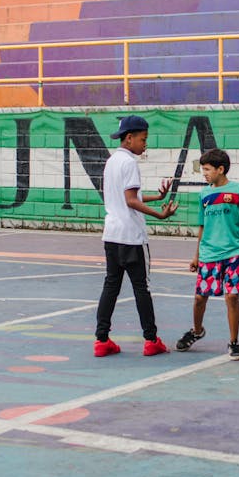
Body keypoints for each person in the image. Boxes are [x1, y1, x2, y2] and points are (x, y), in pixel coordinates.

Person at [94, 114, 178, 357]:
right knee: (142, 288)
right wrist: (159, 214)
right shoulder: (130, 163)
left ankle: (101, 340)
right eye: (143, 139)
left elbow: (125, 197)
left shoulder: (112, 162)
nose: (145, 144)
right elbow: (131, 200)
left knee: (111, 286)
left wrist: (156, 197)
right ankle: (151, 339)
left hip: (111, 234)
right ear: (129, 138)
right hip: (131, 236)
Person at [176, 148, 239, 360]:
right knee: (199, 298)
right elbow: (202, 227)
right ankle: (196, 331)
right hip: (208, 253)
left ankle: (234, 342)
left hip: (234, 252)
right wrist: (196, 255)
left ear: (220, 169)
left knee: (232, 296)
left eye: (207, 169)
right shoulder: (204, 194)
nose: (203, 173)